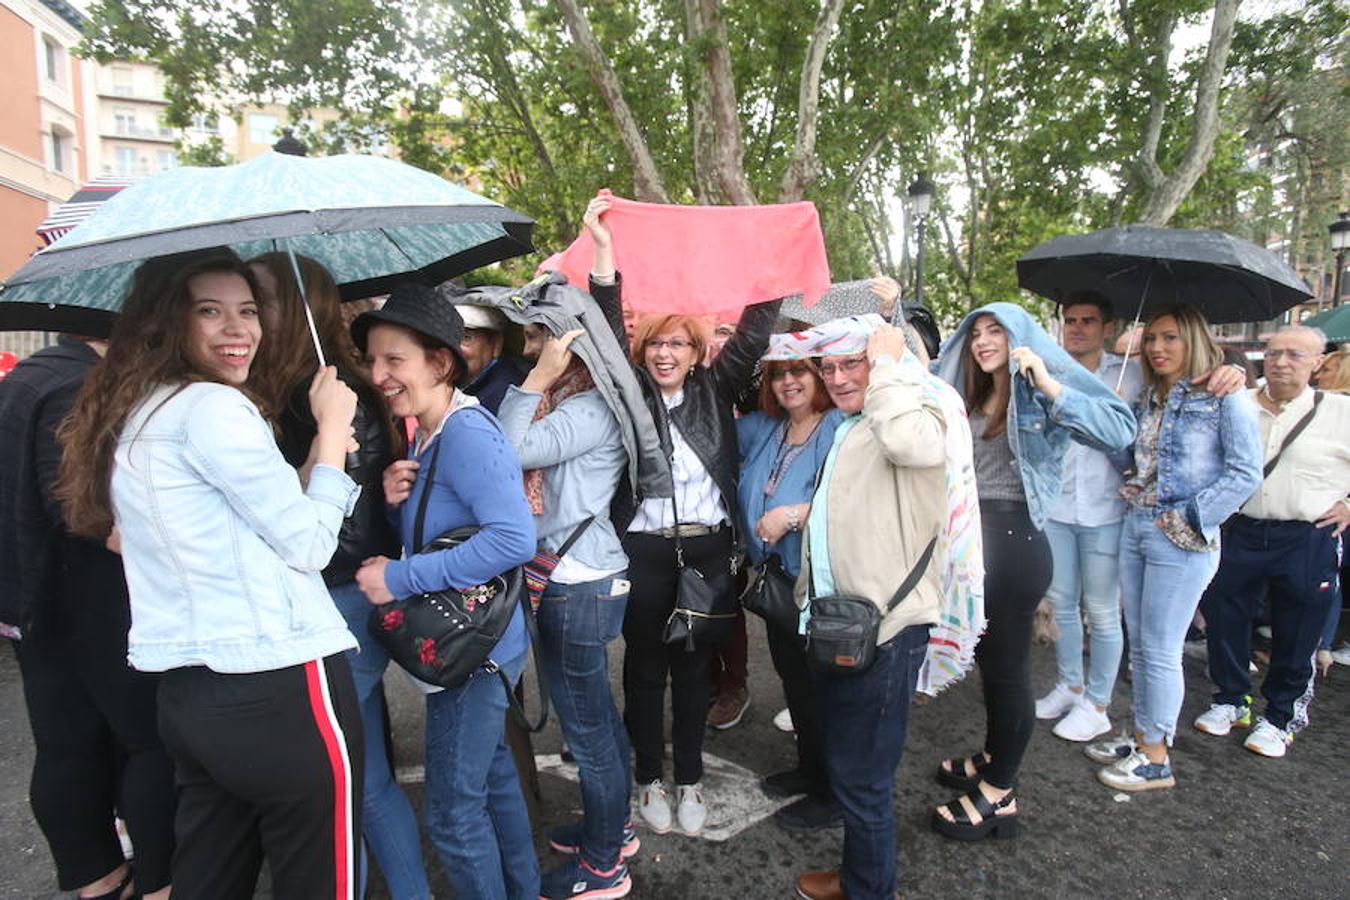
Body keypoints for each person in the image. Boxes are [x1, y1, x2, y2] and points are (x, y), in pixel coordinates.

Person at [56, 248, 365, 898]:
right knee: (320, 880)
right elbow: (309, 543)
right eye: (210, 311)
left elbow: (227, 523)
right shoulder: (215, 410)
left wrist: (314, 464)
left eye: (248, 311)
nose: (238, 329)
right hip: (280, 684)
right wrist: (334, 429)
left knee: (209, 876)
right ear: (170, 321)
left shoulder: (142, 410)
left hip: (191, 696)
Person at [584, 192, 781, 837]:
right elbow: (608, 329)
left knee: (694, 674)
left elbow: (754, 331)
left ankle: (690, 778)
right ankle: (648, 779)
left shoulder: (718, 387)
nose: (665, 353)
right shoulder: (633, 389)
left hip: (706, 552)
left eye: (677, 343)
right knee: (643, 669)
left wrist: (772, 255)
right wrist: (605, 254)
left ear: (697, 352)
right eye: (655, 344)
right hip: (643, 551)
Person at [246, 254, 427, 898]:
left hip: (338, 602)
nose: (247, 318)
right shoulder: (326, 386)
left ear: (296, 308)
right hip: (351, 596)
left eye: (256, 302)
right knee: (363, 770)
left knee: (349, 781)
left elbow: (325, 533)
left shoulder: (317, 395)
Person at [351, 284, 540, 900]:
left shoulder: (465, 433)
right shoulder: (427, 434)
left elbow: (513, 538)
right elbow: (448, 528)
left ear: (440, 362)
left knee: (454, 818)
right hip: (478, 642)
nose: (379, 375)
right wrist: (394, 494)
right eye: (373, 360)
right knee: (492, 784)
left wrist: (398, 579)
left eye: (394, 360)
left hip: (473, 652)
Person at [931, 302, 1135, 835]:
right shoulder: (971, 392)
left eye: (995, 330)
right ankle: (994, 757)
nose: (982, 340)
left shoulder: (1036, 389)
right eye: (975, 332)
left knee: (1007, 669)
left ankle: (1001, 792)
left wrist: (1049, 385)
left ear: (1020, 336)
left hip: (1017, 539)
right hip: (977, 541)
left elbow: (1118, 431)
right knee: (990, 664)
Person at [0, 335, 175, 900]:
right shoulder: (75, 385)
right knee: (147, 743)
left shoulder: (33, 373)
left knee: (67, 742)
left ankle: (99, 880)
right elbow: (80, 509)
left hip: (32, 599)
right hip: (87, 598)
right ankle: (156, 882)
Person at [790, 316, 957, 900]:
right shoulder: (854, 425)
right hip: (842, 626)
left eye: (851, 363)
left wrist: (890, 364)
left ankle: (869, 890)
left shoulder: (915, 415)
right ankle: (861, 876)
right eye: (827, 367)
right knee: (850, 770)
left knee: (864, 782)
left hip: (886, 632)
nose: (835, 378)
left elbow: (914, 445)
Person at [1087, 306, 1261, 790]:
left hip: (1180, 537)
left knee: (1160, 649)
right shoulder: (1148, 398)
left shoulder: (1225, 398)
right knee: (1141, 647)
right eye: (1152, 340)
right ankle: (1145, 735)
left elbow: (1246, 474)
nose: (1158, 348)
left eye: (1171, 338)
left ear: (1193, 341)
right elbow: (1132, 460)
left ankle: (1157, 759)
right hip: (1136, 524)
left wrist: (1189, 516)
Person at [497, 320, 635, 898]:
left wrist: (535, 380)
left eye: (539, 336)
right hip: (577, 575)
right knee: (597, 720)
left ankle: (604, 868)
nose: (530, 346)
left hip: (576, 582)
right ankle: (615, 829)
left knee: (589, 731)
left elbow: (504, 447)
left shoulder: (586, 409)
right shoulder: (579, 402)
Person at [1193, 326, 1349, 757]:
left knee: (1298, 629)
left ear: (1318, 362)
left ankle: (1280, 717)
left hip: (1308, 534)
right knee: (1224, 614)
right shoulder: (1237, 403)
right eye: (1275, 352)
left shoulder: (1339, 412)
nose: (1281, 362)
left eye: (1296, 355)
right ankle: (1230, 698)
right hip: (1240, 529)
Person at [735, 346, 843, 832]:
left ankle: (833, 793)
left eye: (799, 370)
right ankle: (809, 769)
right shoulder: (767, 428)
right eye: (778, 374)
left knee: (823, 691)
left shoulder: (841, 427)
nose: (788, 382)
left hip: (821, 584)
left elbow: (856, 502)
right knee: (795, 680)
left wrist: (793, 515)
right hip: (778, 582)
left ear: (819, 374)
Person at [1034, 292, 1143, 741]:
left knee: (1101, 610)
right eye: (1071, 320)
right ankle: (1069, 684)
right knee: (1061, 603)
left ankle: (1098, 703)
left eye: (1088, 321)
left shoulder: (1132, 376)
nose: (1077, 328)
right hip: (1058, 506)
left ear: (1109, 327)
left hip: (1107, 507)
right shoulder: (1048, 371)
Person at [454, 299, 530, 414]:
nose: (454, 348)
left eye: (466, 337)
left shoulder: (507, 393)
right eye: (451, 336)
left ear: (496, 344)